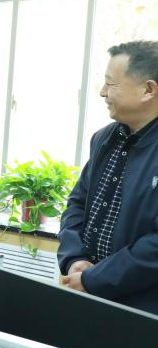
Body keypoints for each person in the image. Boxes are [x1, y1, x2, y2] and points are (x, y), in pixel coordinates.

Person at [58, 40, 158, 313]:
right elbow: (78, 204)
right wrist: (74, 259)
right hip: (92, 296)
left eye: (110, 84)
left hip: (142, 311)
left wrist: (95, 278)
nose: (103, 92)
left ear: (148, 90)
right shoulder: (104, 139)